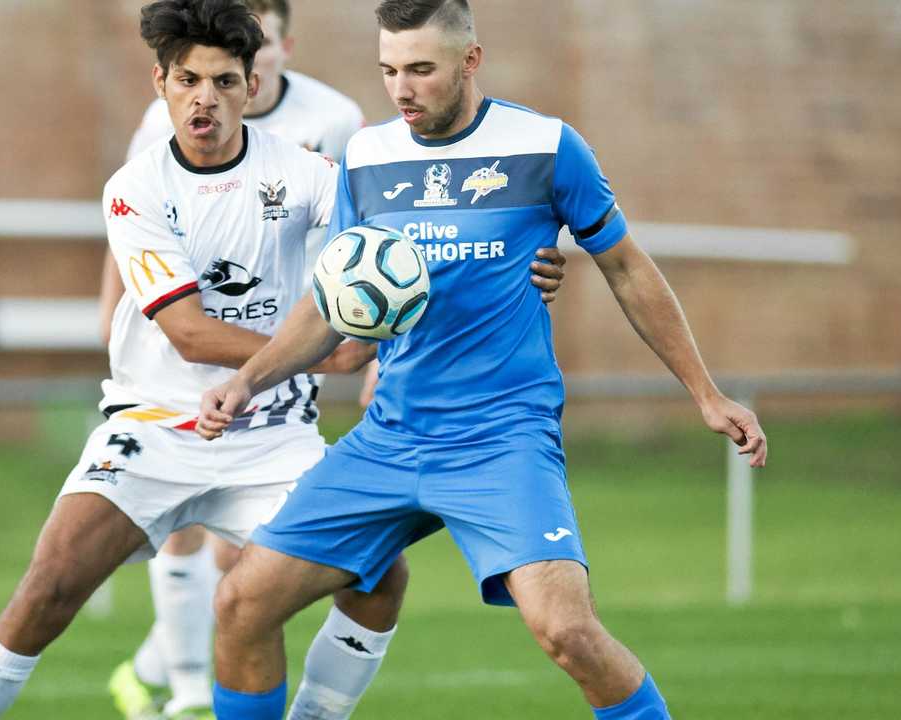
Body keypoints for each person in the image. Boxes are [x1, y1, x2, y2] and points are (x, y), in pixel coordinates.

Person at [197, 1, 769, 719]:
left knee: (567, 632)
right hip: (392, 435)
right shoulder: (369, 157)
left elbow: (625, 266)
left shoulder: (546, 146)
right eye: (389, 70)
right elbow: (332, 302)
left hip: (502, 438)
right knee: (241, 603)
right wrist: (247, 380)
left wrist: (706, 394)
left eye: (420, 70)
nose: (401, 88)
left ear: (470, 61)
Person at [96, 2, 569, 717]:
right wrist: (116, 316)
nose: (401, 86)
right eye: (392, 70)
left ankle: (223, 687)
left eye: (248, 54)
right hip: (192, 386)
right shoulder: (165, 130)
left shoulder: (343, 129)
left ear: (275, 50)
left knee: (321, 574)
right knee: (213, 569)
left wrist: (525, 261)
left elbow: (383, 245)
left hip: (320, 389)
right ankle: (180, 679)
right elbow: (132, 221)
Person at [0, 3, 405, 718]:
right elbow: (189, 332)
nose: (204, 99)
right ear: (160, 81)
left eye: (223, 81)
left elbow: (388, 237)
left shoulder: (308, 174)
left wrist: (509, 256)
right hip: (156, 428)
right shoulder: (135, 188)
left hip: (273, 440)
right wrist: (324, 355)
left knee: (379, 576)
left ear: (253, 86)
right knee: (49, 589)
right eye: (188, 79)